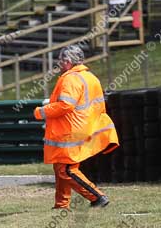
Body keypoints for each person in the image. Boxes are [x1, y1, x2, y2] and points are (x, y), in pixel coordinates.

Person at [34, 45, 119, 209]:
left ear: (67, 61)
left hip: (70, 130)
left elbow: (66, 105)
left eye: (60, 60)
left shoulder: (71, 78)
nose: (59, 64)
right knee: (61, 166)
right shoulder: (90, 77)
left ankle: (97, 197)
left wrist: (41, 112)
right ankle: (61, 204)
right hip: (83, 127)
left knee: (66, 169)